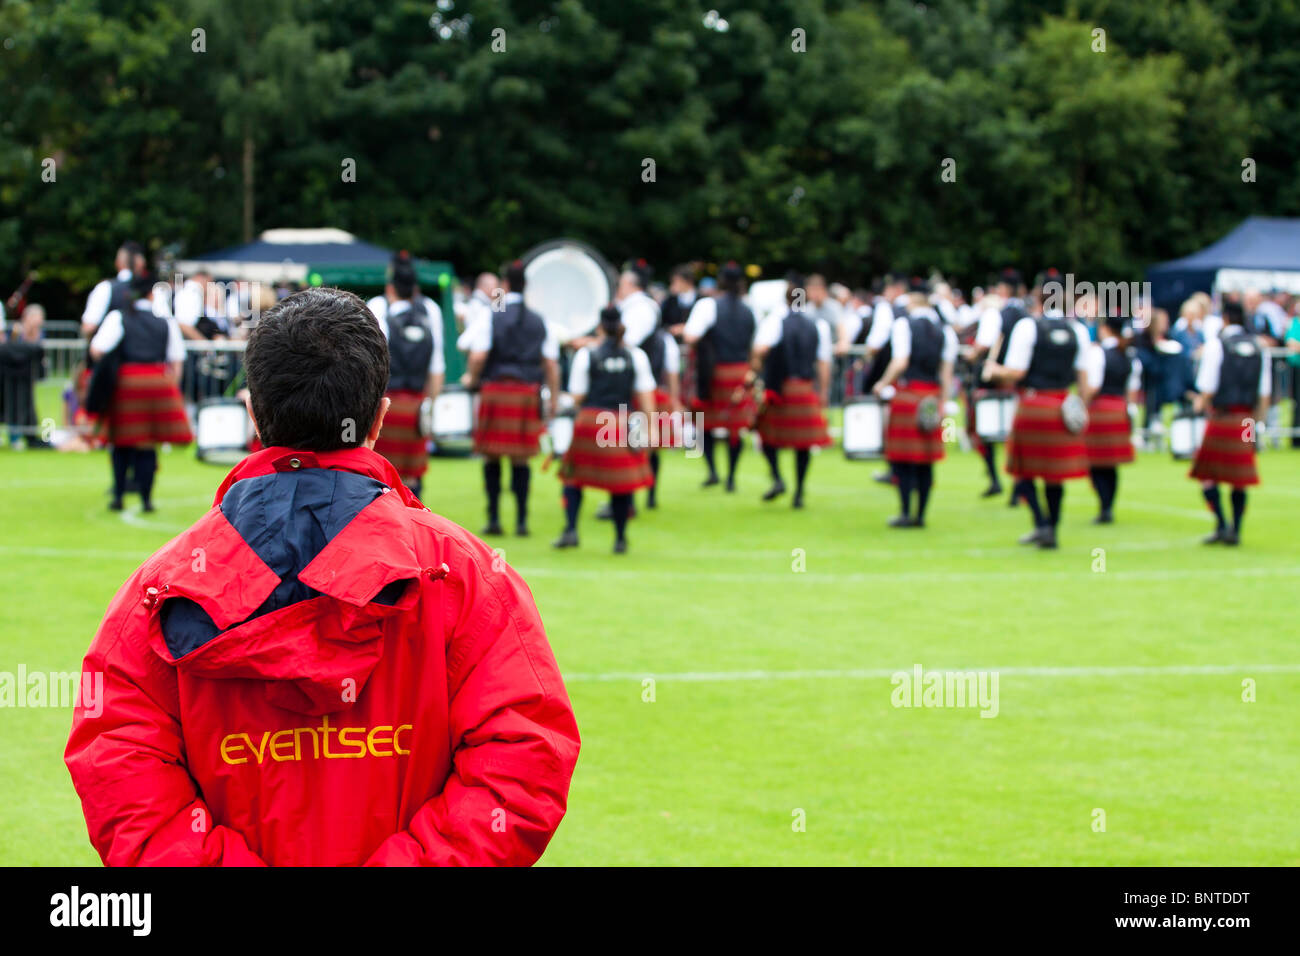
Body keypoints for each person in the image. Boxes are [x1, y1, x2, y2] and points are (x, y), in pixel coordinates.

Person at [65, 287, 579, 866]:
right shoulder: (464, 574)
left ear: (252, 414)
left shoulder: (162, 584)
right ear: (381, 417)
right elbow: (524, 762)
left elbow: (119, 769)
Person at [984, 282, 1092, 549]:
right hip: (1062, 404)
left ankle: (1041, 523)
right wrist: (1080, 408)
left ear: (1039, 302)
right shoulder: (1077, 330)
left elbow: (1016, 372)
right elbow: (1084, 379)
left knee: (1024, 473)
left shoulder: (1028, 326)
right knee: (1054, 476)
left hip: (1034, 406)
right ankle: (1051, 529)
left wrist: (994, 370)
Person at [464, 260, 559, 536]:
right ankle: (521, 521)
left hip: (495, 391)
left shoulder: (492, 314)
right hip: (527, 393)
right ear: (525, 286)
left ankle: (493, 518)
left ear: (505, 285)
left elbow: (479, 354)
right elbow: (551, 364)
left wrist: (471, 377)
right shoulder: (540, 320)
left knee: (491, 458)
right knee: (521, 460)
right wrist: (552, 398)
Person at [554, 305, 656, 553]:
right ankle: (620, 539)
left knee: (573, 478)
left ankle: (570, 530)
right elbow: (645, 396)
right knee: (620, 484)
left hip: (591, 421)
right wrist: (652, 428)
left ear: (599, 326)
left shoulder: (587, 355)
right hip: (622, 421)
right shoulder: (636, 356)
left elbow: (578, 397)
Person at [88, 273, 191, 512]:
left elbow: (97, 350)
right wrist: (169, 388)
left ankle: (118, 496)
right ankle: (146, 499)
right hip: (158, 383)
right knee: (148, 445)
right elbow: (176, 360)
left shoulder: (118, 317)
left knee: (120, 442)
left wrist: (111, 368)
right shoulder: (166, 321)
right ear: (152, 294)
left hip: (127, 383)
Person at [1190, 301, 1272, 545]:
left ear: (1225, 318)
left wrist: (1198, 406)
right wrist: (1257, 426)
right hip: (1247, 420)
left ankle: (1222, 525)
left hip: (1223, 417)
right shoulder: (1259, 347)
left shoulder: (1217, 346)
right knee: (1240, 478)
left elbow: (1207, 388)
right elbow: (1264, 394)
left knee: (1207, 476)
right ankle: (1235, 529)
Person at [874, 291, 958, 527]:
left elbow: (900, 361)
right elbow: (946, 373)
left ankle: (904, 512)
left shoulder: (903, 324)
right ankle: (920, 515)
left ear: (912, 304)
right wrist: (943, 401)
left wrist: (883, 383)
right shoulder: (945, 330)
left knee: (902, 460)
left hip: (908, 397)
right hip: (931, 398)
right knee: (926, 461)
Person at [367, 253, 445, 500]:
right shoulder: (431, 310)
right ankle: (413, 527)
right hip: (417, 404)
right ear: (415, 288)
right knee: (412, 476)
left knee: (380, 472)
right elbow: (437, 366)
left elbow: (370, 364)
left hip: (385, 404)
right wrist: (429, 408)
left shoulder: (377, 307)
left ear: (390, 286)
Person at [752, 275, 832, 508]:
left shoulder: (776, 321)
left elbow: (760, 349)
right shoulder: (818, 325)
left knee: (767, 436)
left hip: (782, 388)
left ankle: (777, 478)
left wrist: (760, 368)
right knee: (803, 445)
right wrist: (824, 392)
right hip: (805, 388)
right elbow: (824, 363)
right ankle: (799, 492)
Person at [682, 262, 756, 490]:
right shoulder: (749, 309)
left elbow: (690, 336)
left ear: (721, 281)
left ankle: (713, 471)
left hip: (714, 373)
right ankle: (731, 477)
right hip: (741, 372)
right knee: (735, 427)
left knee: (704, 424)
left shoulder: (708, 305)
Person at [1081, 312, 1141, 523]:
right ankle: (1108, 506)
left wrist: (1082, 403)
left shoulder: (1098, 353)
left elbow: (1093, 386)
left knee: (1095, 462)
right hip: (1118, 409)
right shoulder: (1129, 355)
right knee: (1111, 464)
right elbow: (1132, 390)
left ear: (1105, 328)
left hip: (1099, 410)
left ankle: (1104, 506)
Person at [639, 318, 684, 509]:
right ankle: (650, 494)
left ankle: (635, 496)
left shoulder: (632, 339)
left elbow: (672, 372)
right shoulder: (666, 339)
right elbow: (672, 372)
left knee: (634, 448)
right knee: (652, 449)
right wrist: (673, 399)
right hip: (656, 395)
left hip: (639, 397)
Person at [0, 304, 47, 448]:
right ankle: (14, 437)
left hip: (25, 378)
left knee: (21, 406)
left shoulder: (39, 333)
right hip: (7, 376)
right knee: (8, 404)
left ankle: (19, 437)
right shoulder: (15, 331)